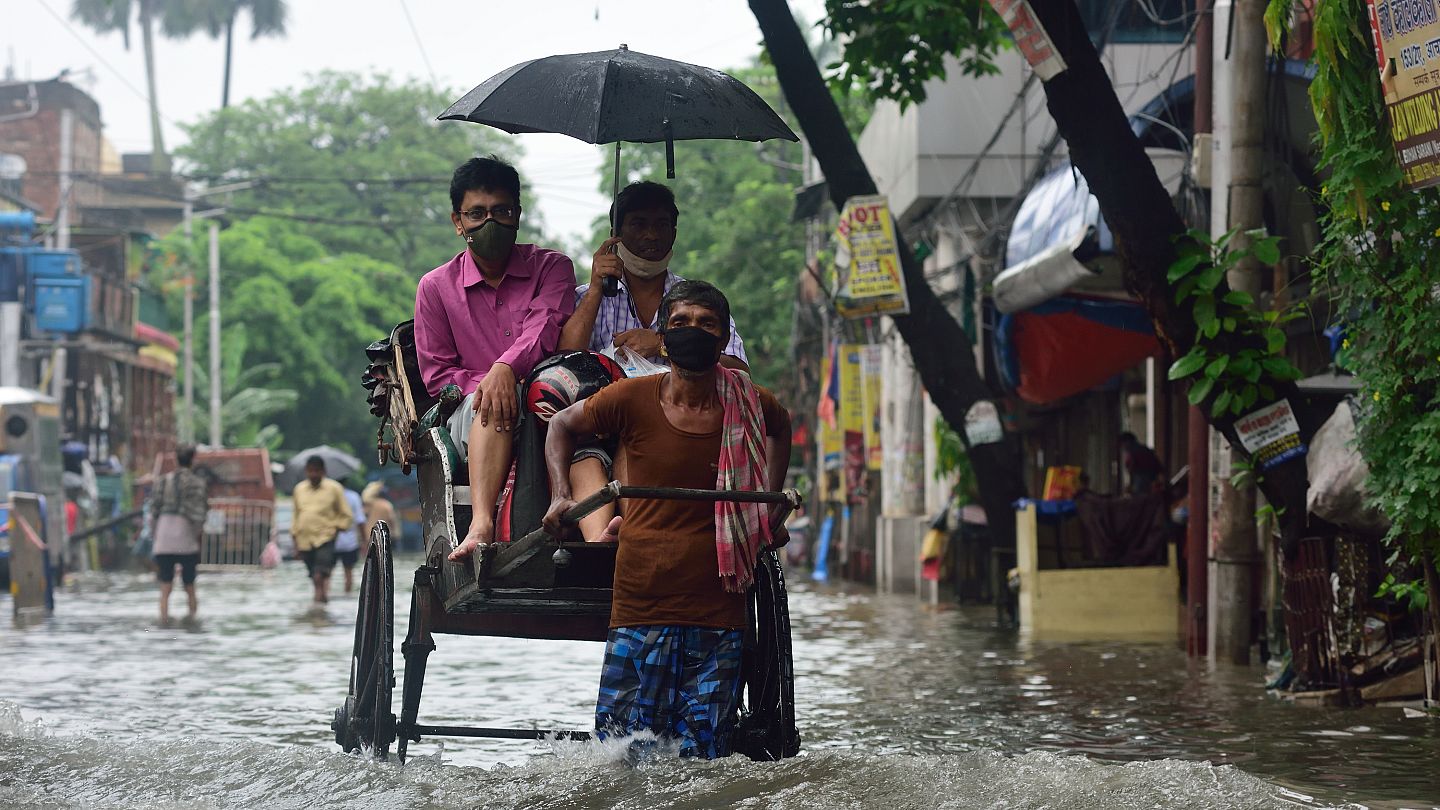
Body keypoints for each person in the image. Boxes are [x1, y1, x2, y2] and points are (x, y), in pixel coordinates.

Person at [542, 280, 791, 759]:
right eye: (679, 324)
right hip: (641, 604)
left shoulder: (747, 401)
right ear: (663, 335)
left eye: (705, 325)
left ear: (722, 341)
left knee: (703, 764)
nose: (691, 333)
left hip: (719, 611)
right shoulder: (632, 398)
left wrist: (768, 508)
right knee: (621, 758)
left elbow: (783, 429)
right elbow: (561, 425)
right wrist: (557, 496)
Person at [414, 156, 577, 559]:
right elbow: (438, 376)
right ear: (458, 221)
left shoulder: (552, 267)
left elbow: (545, 326)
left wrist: (507, 370)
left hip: (547, 400)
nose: (491, 223)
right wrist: (491, 383)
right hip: (470, 415)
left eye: (502, 211)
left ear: (518, 215)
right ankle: (482, 523)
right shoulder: (435, 287)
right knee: (491, 402)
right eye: (477, 214)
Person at [559, 181, 749, 371]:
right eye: (638, 224)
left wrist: (664, 346)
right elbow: (562, 366)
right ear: (615, 235)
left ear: (673, 235)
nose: (651, 235)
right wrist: (595, 290)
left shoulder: (699, 299)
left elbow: (740, 371)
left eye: (661, 225)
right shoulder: (586, 298)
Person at [151, 444, 208, 626]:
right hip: (187, 540)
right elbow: (201, 516)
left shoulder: (162, 481)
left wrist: (156, 535)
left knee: (165, 587)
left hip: (164, 540)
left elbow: (153, 512)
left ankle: (164, 621)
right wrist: (195, 534)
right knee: (190, 587)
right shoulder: (198, 484)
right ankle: (192, 620)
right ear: (193, 460)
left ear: (176, 459)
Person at [291, 455, 354, 605]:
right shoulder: (299, 489)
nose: (313, 475)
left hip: (325, 537)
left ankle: (319, 601)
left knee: (321, 573)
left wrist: (337, 528)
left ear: (323, 471)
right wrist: (294, 538)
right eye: (310, 471)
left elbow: (346, 514)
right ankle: (321, 598)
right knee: (314, 574)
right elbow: (296, 515)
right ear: (306, 471)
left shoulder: (334, 488)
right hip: (304, 540)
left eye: (317, 471)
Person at [334, 481, 367, 593]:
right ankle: (347, 594)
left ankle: (324, 597)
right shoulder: (353, 497)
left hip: (329, 541)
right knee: (348, 572)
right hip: (350, 542)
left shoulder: (327, 495)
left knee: (325, 574)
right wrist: (364, 541)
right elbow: (360, 520)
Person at [360, 480, 399, 560]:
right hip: (383, 534)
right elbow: (391, 519)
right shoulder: (387, 505)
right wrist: (395, 532)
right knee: (383, 558)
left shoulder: (371, 504)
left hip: (369, 533)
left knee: (370, 558)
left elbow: (362, 514)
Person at [1119, 432, 1165, 496]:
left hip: (1143, 481)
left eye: (1123, 444)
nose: (1123, 447)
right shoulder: (1144, 449)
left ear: (1128, 442)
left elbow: (1131, 468)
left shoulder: (1134, 451)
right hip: (1148, 480)